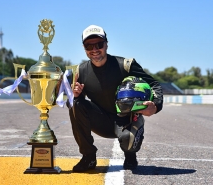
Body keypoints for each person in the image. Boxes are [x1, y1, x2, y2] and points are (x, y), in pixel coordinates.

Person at [69, 25, 163, 172]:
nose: (94, 49)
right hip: (102, 121)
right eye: (89, 46)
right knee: (75, 104)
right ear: (84, 48)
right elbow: (80, 104)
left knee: (129, 142)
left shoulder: (125, 65)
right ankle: (88, 157)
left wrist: (155, 106)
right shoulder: (80, 71)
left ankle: (130, 154)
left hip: (126, 119)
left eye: (99, 44)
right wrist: (76, 94)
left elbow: (154, 84)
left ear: (106, 44)